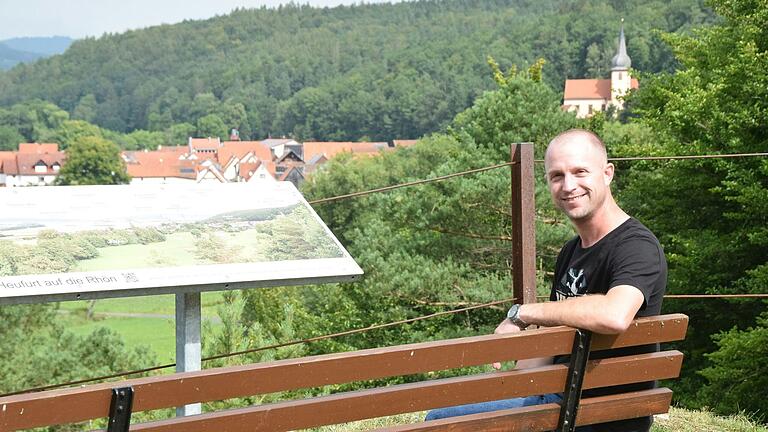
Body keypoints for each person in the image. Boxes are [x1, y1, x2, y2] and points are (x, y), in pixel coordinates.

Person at [425, 129, 667, 432]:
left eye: (580, 172)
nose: (568, 185)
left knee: (441, 420)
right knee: (456, 406)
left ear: (607, 174)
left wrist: (522, 313)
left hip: (598, 417)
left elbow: (614, 315)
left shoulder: (636, 246)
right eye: (556, 176)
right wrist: (509, 376)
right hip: (561, 402)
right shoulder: (572, 250)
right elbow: (553, 342)